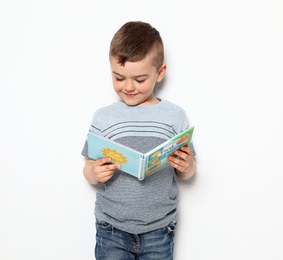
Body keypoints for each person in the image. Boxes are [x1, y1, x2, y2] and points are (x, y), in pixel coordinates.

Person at [81, 21, 197, 260]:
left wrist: (188, 167)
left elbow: (186, 173)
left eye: (140, 79)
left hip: (159, 228)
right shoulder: (103, 117)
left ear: (160, 73)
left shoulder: (174, 116)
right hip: (111, 226)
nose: (129, 87)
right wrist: (95, 172)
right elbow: (88, 169)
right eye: (119, 78)